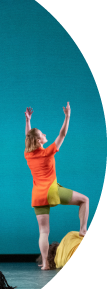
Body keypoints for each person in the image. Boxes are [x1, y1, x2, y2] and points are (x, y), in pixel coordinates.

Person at [24, 103, 89, 270]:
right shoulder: (48, 151)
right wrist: (67, 116)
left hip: (37, 195)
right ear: (39, 140)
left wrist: (28, 121)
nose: (45, 135)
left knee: (43, 232)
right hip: (52, 191)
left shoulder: (28, 154)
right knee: (84, 200)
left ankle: (45, 263)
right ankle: (83, 230)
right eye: (43, 134)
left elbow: (28, 137)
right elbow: (63, 134)